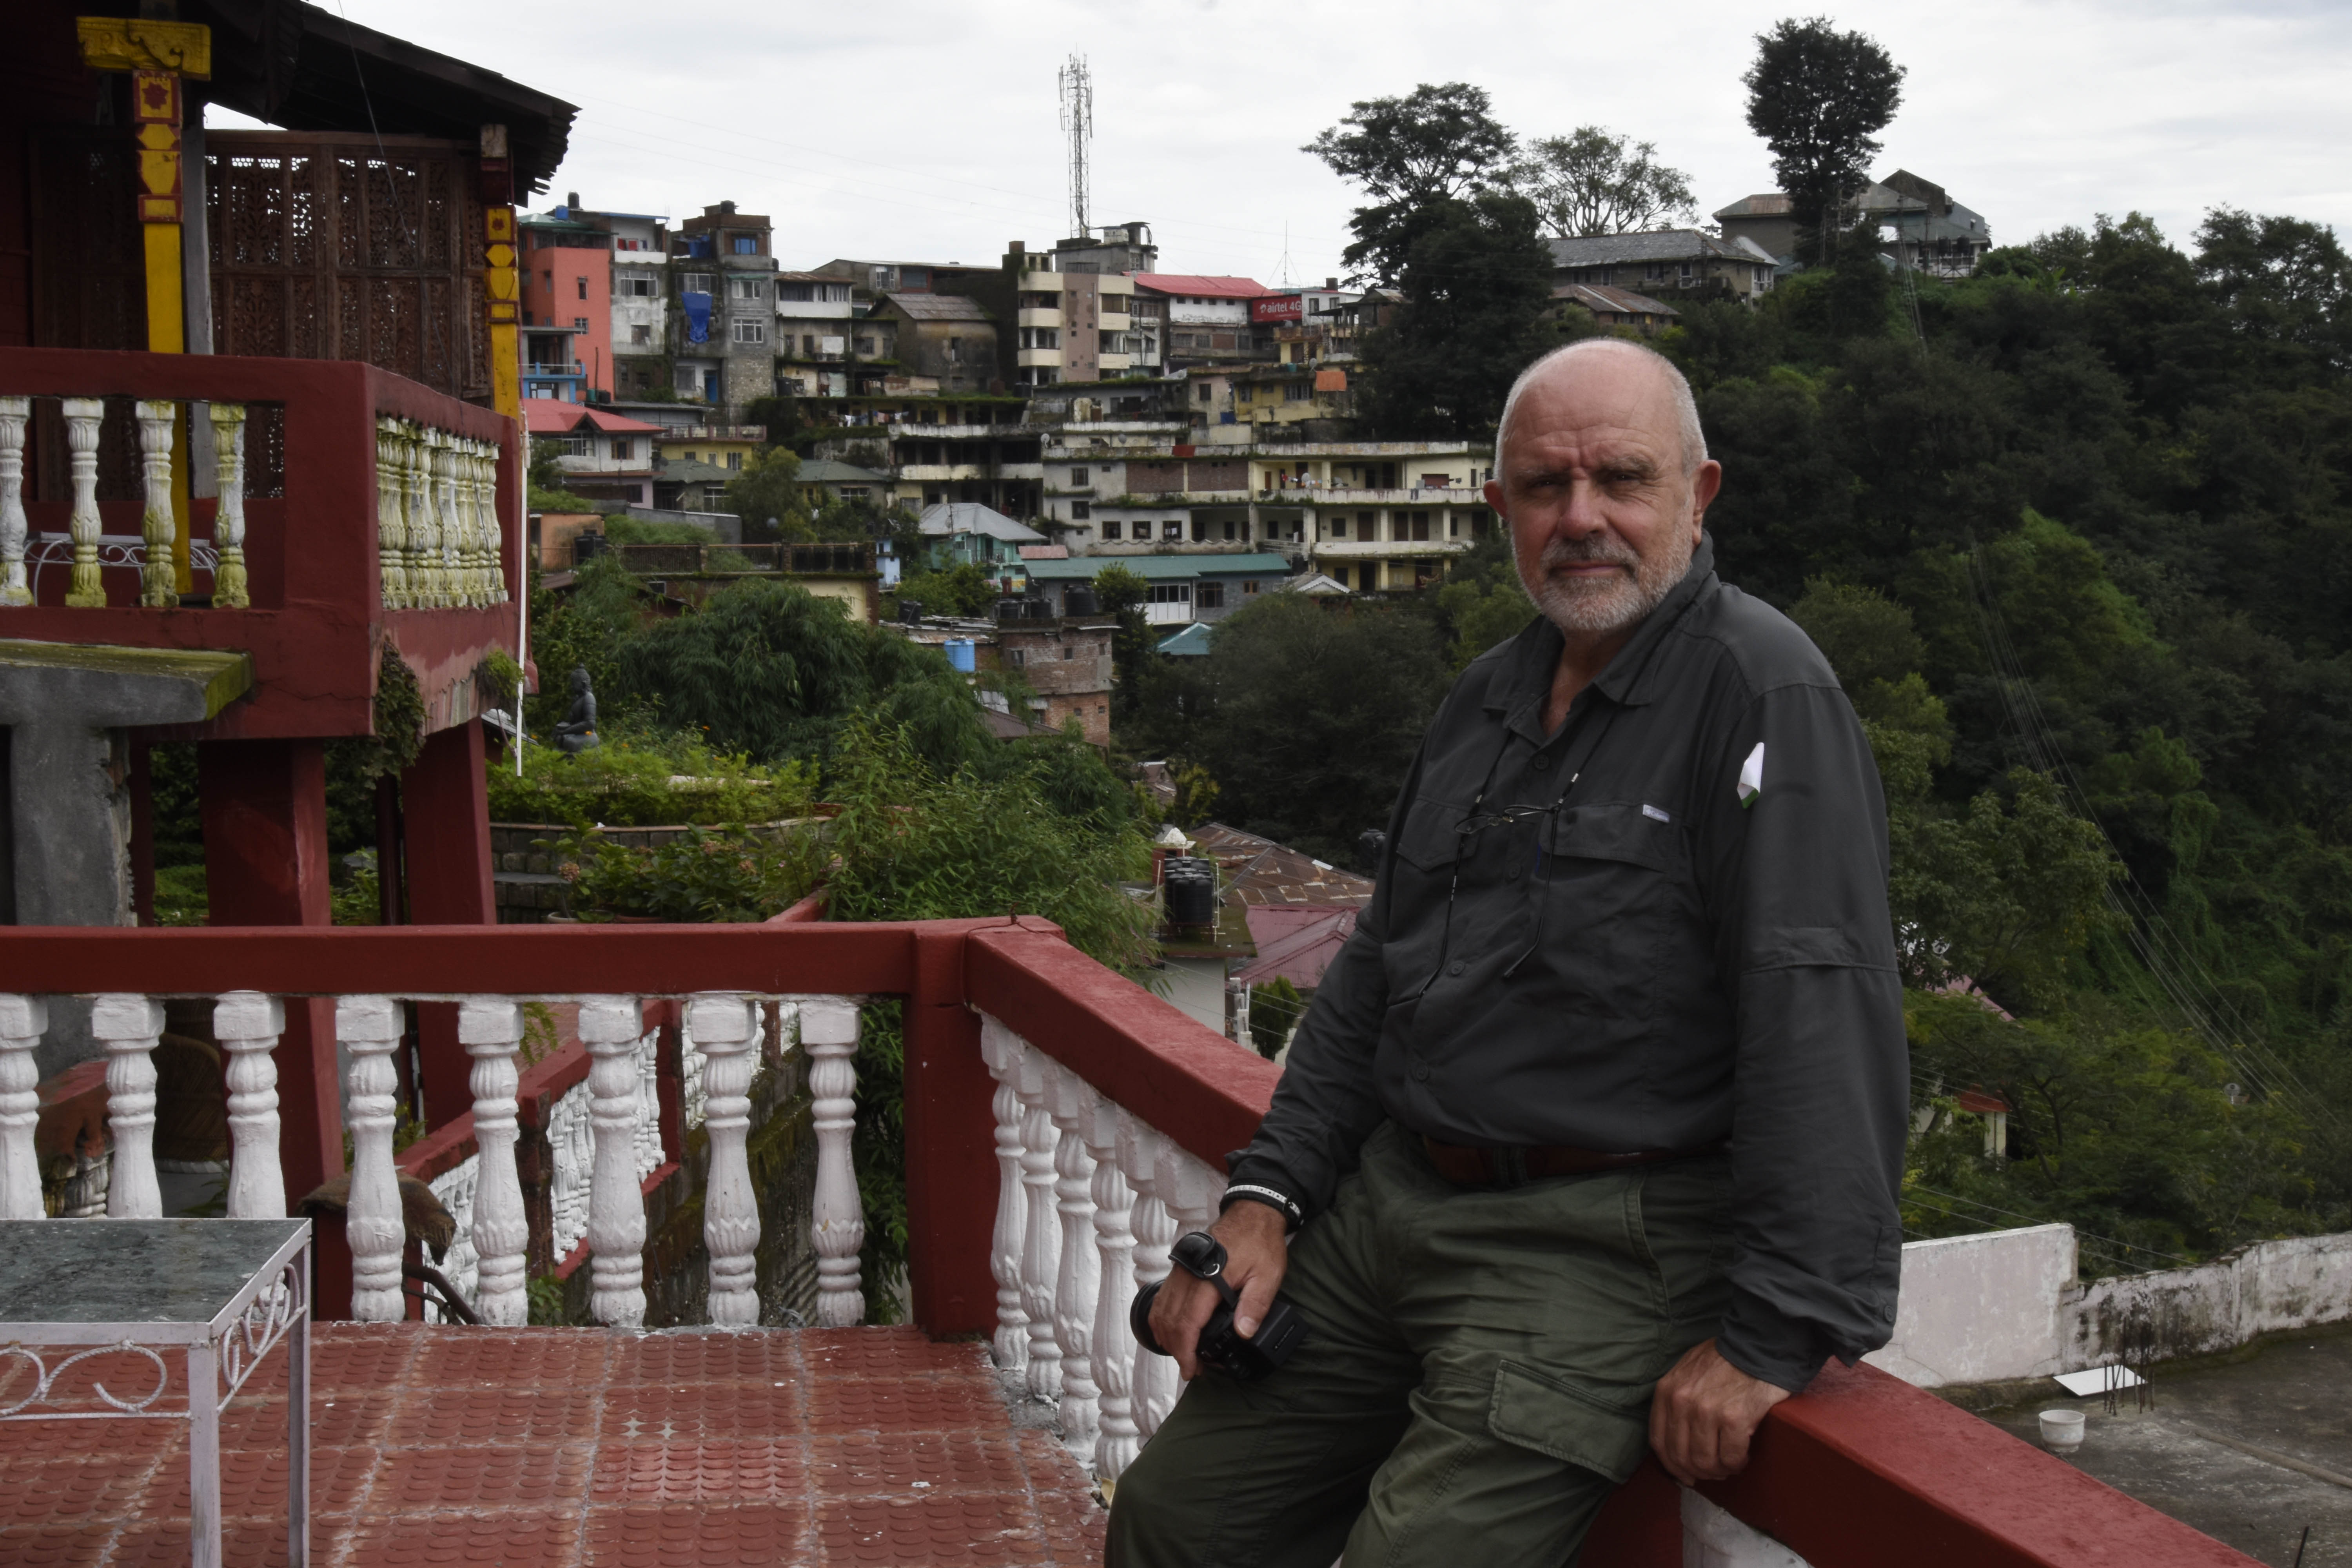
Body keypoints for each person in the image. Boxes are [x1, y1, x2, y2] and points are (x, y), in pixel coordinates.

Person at [1105, 338, 1908, 1567]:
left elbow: (1817, 1006)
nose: (1581, 518)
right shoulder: (1486, 696)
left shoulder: (1759, 693)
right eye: (1544, 487)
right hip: (1392, 1206)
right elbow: (1376, 971)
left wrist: (1775, 1329)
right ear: (1500, 512)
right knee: (1176, 1522)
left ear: (1696, 495)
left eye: (1620, 480)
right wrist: (1264, 1199)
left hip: (1596, 1240)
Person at [553, 665, 600, 754]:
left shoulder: (589, 698)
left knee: (570, 743)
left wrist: (566, 731)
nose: (572, 686)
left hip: (589, 735)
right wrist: (563, 728)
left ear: (582, 684)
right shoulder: (579, 698)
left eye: (574, 683)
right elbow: (576, 722)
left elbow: (590, 724)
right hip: (579, 735)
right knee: (560, 738)